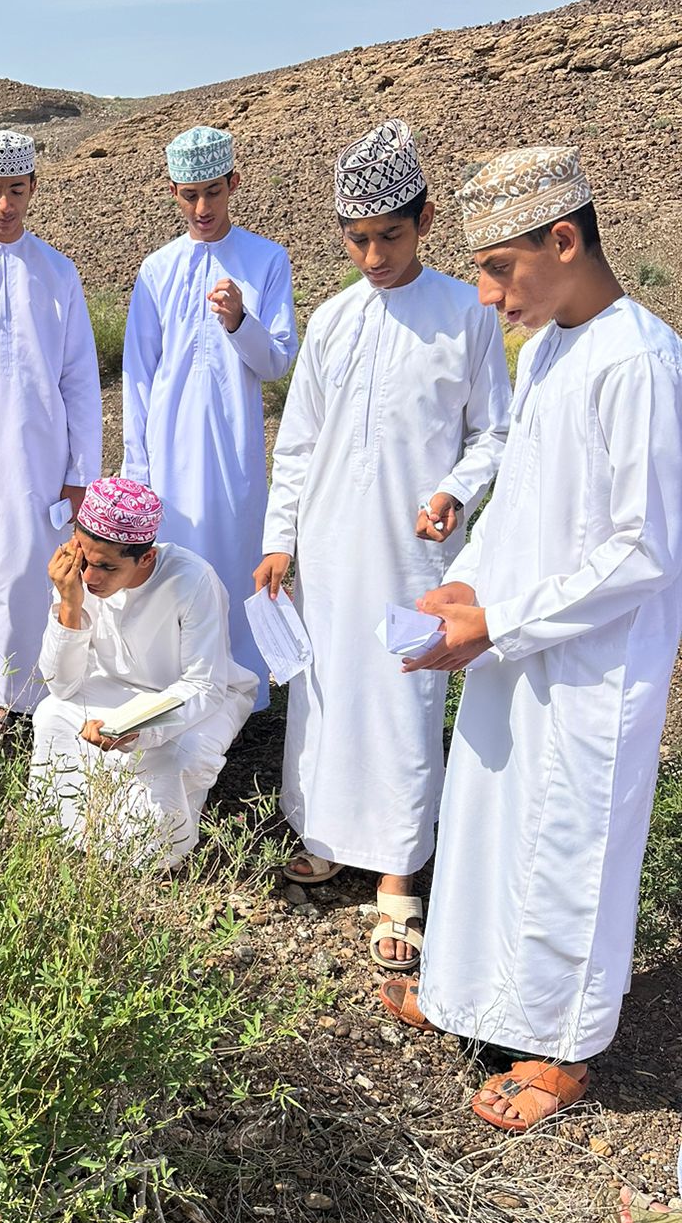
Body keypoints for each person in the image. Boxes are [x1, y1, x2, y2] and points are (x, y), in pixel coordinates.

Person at [382, 146, 682, 1131]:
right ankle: (471, 994)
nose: (486, 294)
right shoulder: (550, 345)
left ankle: (561, 1048)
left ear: (564, 241)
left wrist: (501, 621)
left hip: (592, 661)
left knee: (570, 847)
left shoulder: (639, 361)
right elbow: (520, 489)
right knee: (493, 820)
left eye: (499, 268)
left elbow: (643, 549)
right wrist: (470, 582)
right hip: (515, 640)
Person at [255, 119, 510, 966]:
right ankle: (326, 835)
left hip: (414, 551)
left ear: (425, 221)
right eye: (357, 239)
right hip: (328, 547)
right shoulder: (332, 320)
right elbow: (298, 444)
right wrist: (280, 541)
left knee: (403, 698)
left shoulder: (466, 315)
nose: (373, 256)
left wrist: (455, 490)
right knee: (327, 688)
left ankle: (398, 871)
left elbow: (494, 431)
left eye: (390, 236)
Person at [122, 126, 297, 711]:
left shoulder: (266, 261)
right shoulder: (157, 269)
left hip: (233, 449)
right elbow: (139, 375)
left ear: (233, 184)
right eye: (190, 195)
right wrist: (137, 469)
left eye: (213, 193)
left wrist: (239, 322)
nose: (202, 208)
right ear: (173, 191)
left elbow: (276, 362)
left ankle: (240, 691)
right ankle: (175, 689)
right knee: (171, 566)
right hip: (167, 450)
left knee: (232, 560)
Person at [0, 130, 102, 733]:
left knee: (43, 569)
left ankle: (48, 687)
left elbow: (80, 379)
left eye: (16, 190)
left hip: (44, 456)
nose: (5, 205)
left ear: (34, 187)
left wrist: (80, 473)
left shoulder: (58, 272)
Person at [30, 477, 256, 866]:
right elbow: (61, 685)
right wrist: (69, 603)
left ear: (146, 558)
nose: (91, 578)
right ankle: (71, 832)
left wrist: (140, 728)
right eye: (85, 561)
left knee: (177, 756)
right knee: (52, 715)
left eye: (107, 567)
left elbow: (204, 684)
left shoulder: (192, 581)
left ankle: (155, 857)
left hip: (197, 699)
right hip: (113, 687)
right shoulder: (76, 577)